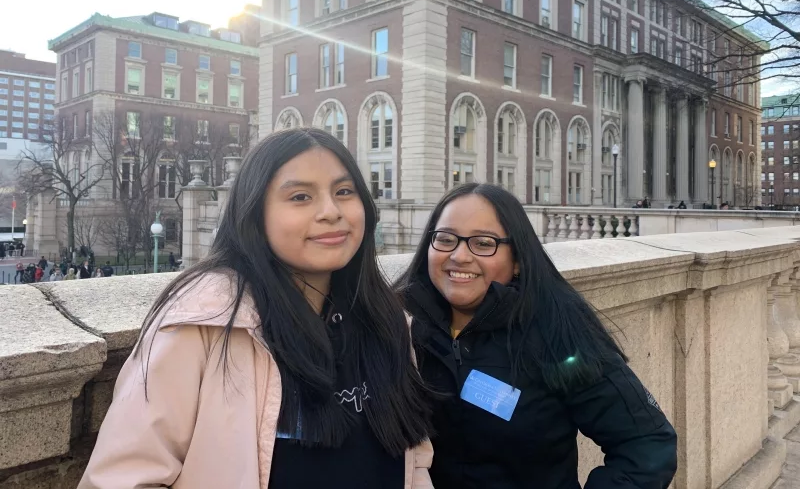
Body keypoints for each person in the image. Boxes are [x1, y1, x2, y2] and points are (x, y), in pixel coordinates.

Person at [78, 128, 434, 489]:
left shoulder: (386, 320)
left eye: (344, 191)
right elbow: (122, 479)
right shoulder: (204, 320)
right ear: (255, 213)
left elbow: (413, 458)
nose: (331, 211)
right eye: (300, 196)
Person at [396, 183, 677, 489]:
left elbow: (647, 443)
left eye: (483, 243)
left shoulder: (556, 331)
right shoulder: (399, 326)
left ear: (516, 259)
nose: (459, 256)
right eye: (446, 239)